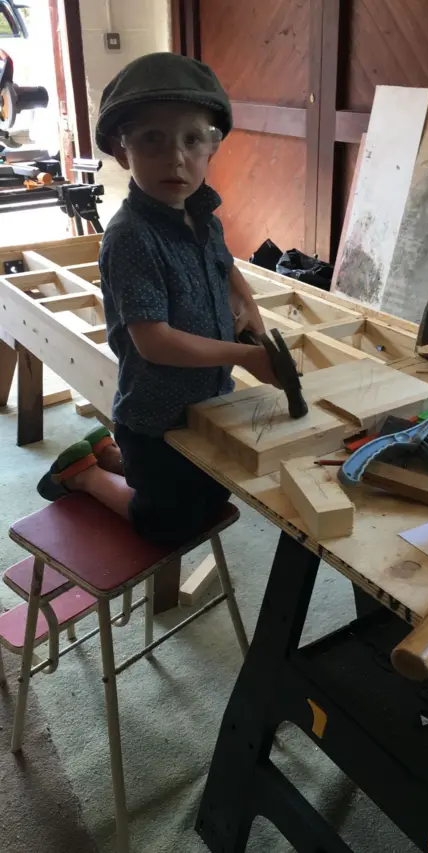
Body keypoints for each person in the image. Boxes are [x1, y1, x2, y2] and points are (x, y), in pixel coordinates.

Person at [38, 52, 279, 545]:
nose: (176, 158)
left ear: (212, 146)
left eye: (193, 139)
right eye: (153, 140)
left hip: (209, 403)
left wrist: (246, 304)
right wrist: (248, 356)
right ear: (122, 151)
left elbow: (225, 265)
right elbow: (155, 342)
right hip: (155, 417)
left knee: (212, 498)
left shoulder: (202, 215)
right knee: (165, 526)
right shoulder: (130, 237)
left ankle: (106, 454)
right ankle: (82, 474)